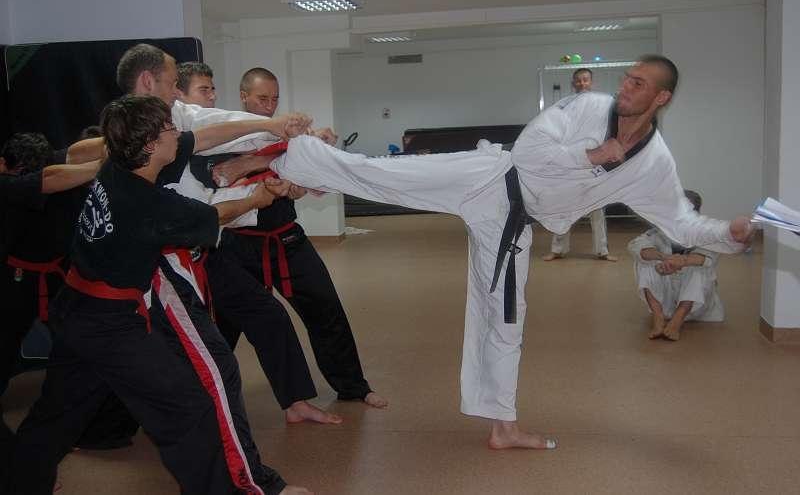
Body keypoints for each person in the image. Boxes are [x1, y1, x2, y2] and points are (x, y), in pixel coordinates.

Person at [218, 54, 753, 450]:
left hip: (512, 223)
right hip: (490, 175)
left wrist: (729, 234)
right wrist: (592, 154)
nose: (627, 88)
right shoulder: (590, 107)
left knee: (504, 318)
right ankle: (276, 158)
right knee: (382, 173)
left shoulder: (654, 163)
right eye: (628, 78)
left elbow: (680, 220)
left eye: (640, 84)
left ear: (662, 98)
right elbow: (530, 149)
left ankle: (503, 426)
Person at [6, 95, 313, 494]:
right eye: (170, 128)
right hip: (110, 325)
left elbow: (203, 138)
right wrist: (257, 198)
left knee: (56, 415)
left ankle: (19, 484)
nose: (178, 133)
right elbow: (216, 215)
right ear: (151, 145)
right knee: (188, 407)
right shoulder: (149, 204)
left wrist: (267, 125)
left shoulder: (117, 165)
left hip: (75, 311)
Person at [194, 67, 387, 410]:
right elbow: (221, 178)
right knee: (223, 325)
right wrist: (279, 156)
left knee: (326, 310)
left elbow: (302, 181)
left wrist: (308, 155)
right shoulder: (223, 137)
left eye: (274, 99)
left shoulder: (285, 136)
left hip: (286, 240)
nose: (269, 106)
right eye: (261, 98)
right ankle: (200, 394)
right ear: (243, 97)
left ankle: (353, 386)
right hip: (237, 246)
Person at [0, 132, 105, 460]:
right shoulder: (10, 185)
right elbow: (49, 179)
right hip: (13, 281)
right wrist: (106, 165)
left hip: (59, 276)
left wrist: (119, 142)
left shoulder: (55, 170)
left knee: (75, 348)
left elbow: (70, 156)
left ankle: (71, 425)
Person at [628, 190, 724, 341]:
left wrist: (681, 262)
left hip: (698, 309)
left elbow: (708, 256)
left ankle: (677, 321)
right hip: (666, 306)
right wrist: (665, 258)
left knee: (699, 267)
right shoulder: (658, 233)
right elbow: (636, 246)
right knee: (645, 261)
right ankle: (658, 318)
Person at [543, 68, 617, 262]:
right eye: (578, 80)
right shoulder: (565, 106)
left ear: (591, 82)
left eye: (585, 80)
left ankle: (602, 251)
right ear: (573, 84)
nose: (582, 83)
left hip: (593, 163)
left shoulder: (602, 106)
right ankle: (558, 249)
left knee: (597, 210)